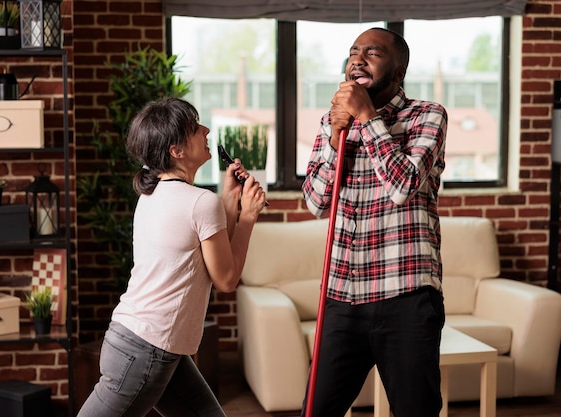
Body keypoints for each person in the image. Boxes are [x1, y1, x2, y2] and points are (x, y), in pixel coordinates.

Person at [77, 97, 266, 417]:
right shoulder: (198, 202)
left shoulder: (153, 195)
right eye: (195, 128)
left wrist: (229, 200)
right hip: (146, 351)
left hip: (145, 343)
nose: (206, 130)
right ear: (176, 150)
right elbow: (226, 279)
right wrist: (246, 217)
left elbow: (201, 249)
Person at [301, 27, 448, 417]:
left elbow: (402, 186)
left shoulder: (427, 116)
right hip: (341, 296)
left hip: (406, 295)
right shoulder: (332, 123)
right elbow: (315, 202)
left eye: (373, 52)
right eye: (353, 52)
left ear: (398, 71)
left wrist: (366, 116)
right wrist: (335, 138)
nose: (358, 58)